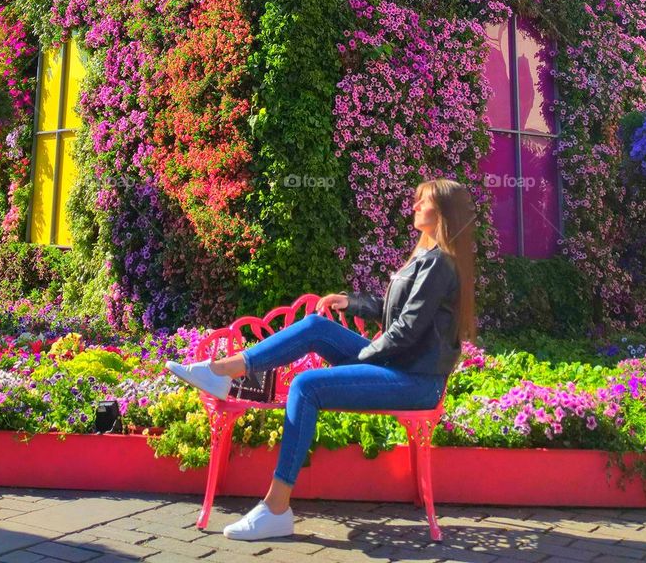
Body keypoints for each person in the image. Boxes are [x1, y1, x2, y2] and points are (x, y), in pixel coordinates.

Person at [165, 177, 476, 541]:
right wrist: (352, 302)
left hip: (415, 381)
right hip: (399, 367)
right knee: (315, 325)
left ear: (442, 212)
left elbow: (406, 331)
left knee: (306, 386)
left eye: (422, 202)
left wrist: (362, 357)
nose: (414, 206)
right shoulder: (425, 257)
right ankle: (226, 371)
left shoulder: (440, 263)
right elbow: (396, 312)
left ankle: (276, 508)